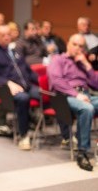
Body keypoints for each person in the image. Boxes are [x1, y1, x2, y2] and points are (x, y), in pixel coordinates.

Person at [47, 34, 98, 171]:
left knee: (87, 106)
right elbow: (57, 81)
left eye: (81, 46)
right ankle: (83, 152)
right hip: (65, 96)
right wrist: (76, 94)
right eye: (75, 44)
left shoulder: (82, 62)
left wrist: (87, 65)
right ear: (68, 44)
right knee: (86, 109)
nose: (78, 48)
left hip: (85, 95)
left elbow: (96, 84)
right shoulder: (58, 59)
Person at [0, 25, 40, 150]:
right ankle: (23, 135)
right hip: (5, 90)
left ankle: (65, 136)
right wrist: (8, 83)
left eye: (8, 34)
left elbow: (27, 70)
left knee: (49, 95)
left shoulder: (15, 51)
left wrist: (41, 81)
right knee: (23, 98)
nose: (6, 37)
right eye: (3, 35)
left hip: (26, 86)